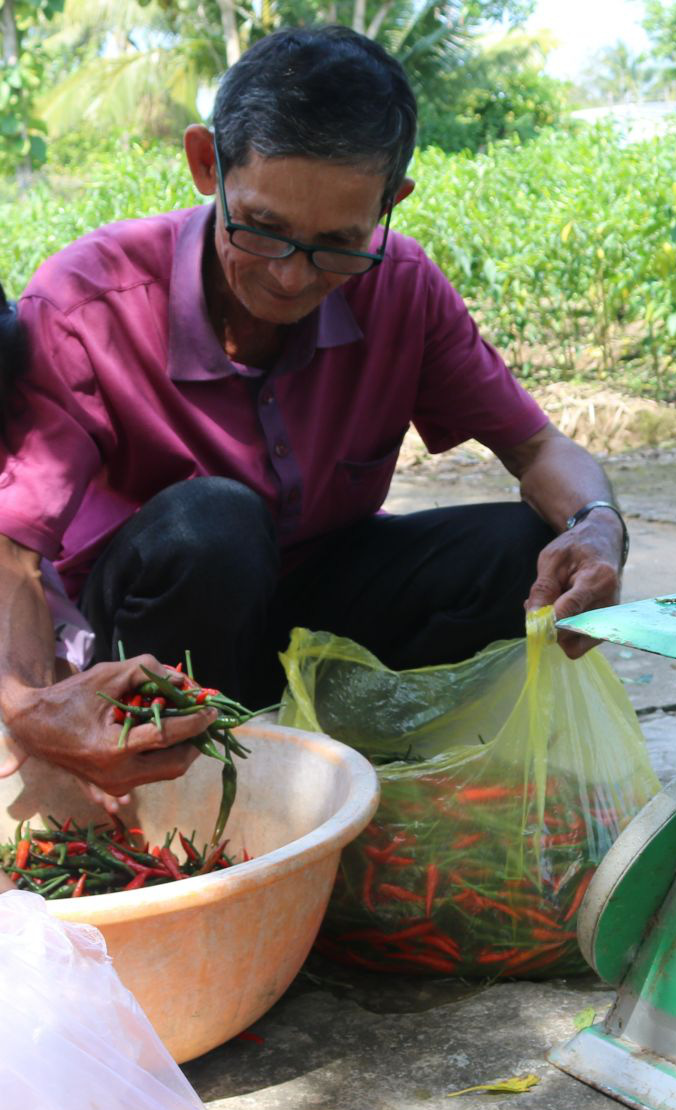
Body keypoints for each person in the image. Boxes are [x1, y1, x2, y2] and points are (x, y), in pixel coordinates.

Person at [0, 26, 626, 810]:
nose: (291, 277)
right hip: (158, 627)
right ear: (207, 165)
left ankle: (346, 750)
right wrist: (26, 705)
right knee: (216, 525)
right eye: (261, 227)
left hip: (312, 603)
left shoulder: (402, 287)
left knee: (526, 550)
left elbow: (538, 450)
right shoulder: (90, 300)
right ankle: (187, 776)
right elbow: (13, 552)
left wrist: (600, 526)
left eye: (338, 243)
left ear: (389, 204)